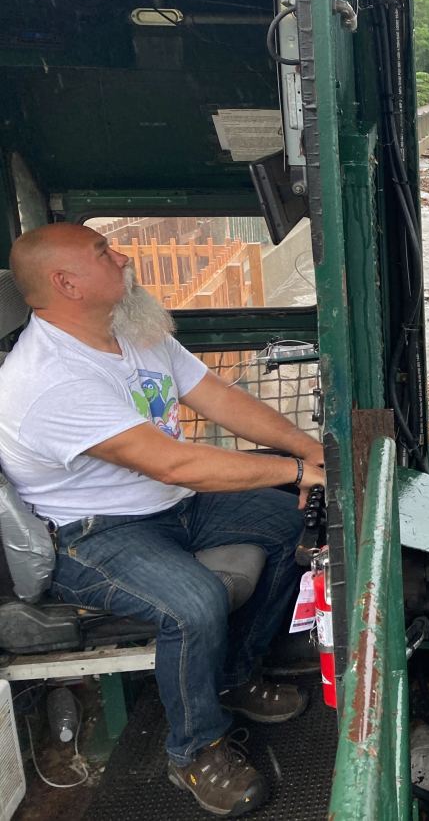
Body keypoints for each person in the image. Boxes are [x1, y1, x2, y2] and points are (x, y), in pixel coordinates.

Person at [0, 224, 326, 817]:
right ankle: (194, 753)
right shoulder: (46, 381)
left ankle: (233, 675)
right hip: (92, 534)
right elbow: (175, 463)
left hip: (168, 505)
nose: (122, 257)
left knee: (285, 524)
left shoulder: (130, 330)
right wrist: (293, 471)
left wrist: (310, 452)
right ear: (66, 283)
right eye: (105, 254)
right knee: (193, 602)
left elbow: (219, 396)